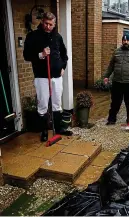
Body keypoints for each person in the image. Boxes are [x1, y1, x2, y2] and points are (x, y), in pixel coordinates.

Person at [23, 12, 72, 142]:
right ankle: (44, 131)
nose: (48, 27)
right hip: (41, 77)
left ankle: (59, 129)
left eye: (51, 24)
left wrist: (63, 67)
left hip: (56, 76)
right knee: (43, 104)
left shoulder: (57, 37)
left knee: (57, 104)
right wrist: (41, 54)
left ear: (54, 24)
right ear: (42, 21)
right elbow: (27, 55)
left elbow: (64, 55)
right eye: (46, 23)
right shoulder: (33, 36)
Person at [104, 33, 129, 126]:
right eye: (124, 40)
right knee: (115, 102)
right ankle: (111, 120)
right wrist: (106, 76)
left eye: (127, 40)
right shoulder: (116, 52)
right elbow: (111, 65)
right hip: (117, 81)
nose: (125, 42)